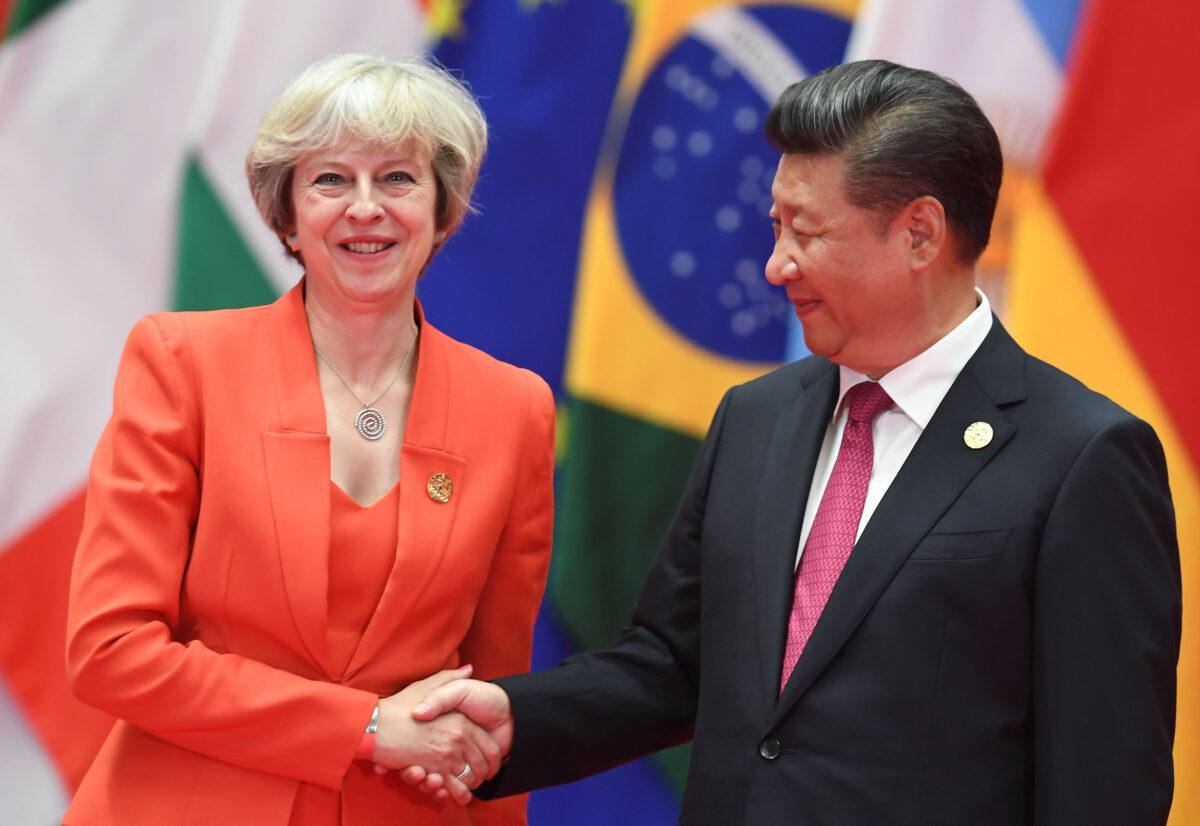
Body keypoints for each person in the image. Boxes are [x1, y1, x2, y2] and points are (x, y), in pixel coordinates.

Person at [405, 60, 1182, 825]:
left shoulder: (1083, 456)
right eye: (775, 225)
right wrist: (515, 717)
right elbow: (676, 664)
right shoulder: (757, 416)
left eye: (804, 233)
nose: (777, 266)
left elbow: (1104, 781)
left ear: (919, 233)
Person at [65, 53, 554, 825]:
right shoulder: (182, 363)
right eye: (331, 180)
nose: (366, 208)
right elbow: (110, 651)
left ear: (442, 208)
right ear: (287, 211)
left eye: (398, 178)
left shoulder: (514, 408)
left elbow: (488, 706)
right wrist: (365, 728)